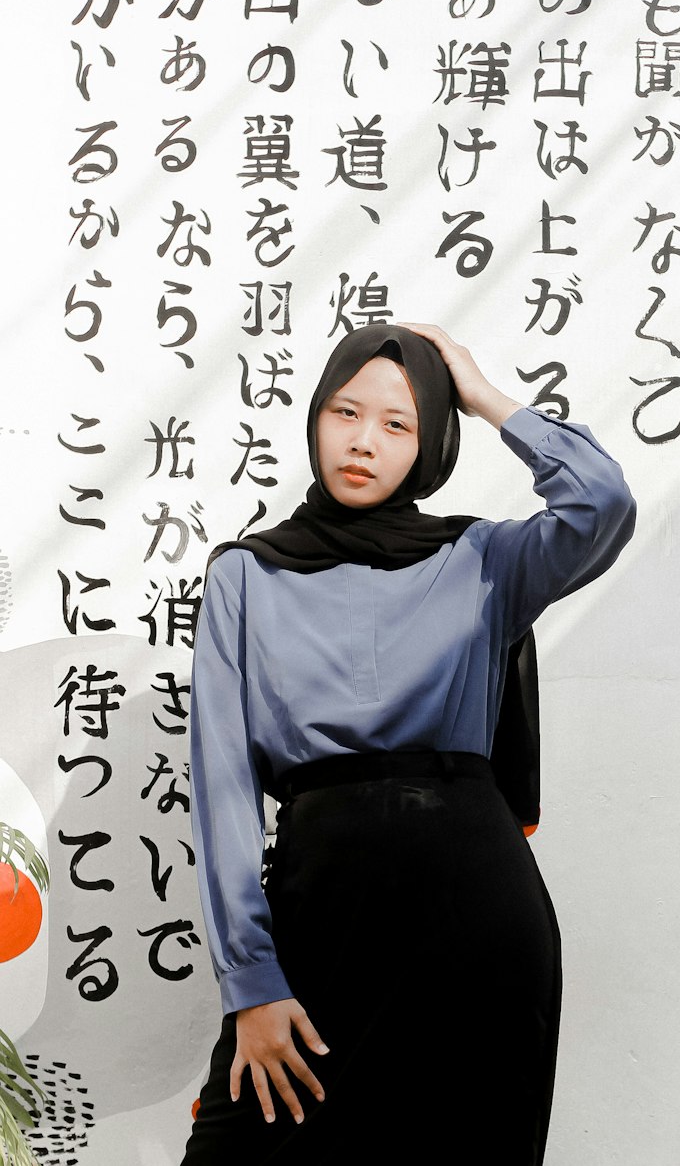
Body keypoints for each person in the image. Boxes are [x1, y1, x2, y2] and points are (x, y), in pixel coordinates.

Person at [180, 322, 636, 1165]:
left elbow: (601, 504)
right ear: (315, 417)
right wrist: (251, 983)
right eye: (345, 412)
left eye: (400, 423)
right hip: (321, 912)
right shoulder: (246, 574)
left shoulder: (482, 560)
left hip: (474, 916)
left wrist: (486, 394)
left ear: (435, 439)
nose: (362, 442)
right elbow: (223, 787)